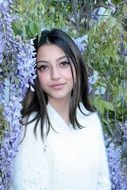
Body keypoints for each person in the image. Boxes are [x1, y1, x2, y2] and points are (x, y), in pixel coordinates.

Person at [9, 28, 111, 190]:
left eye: (63, 64)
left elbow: (103, 182)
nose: (55, 75)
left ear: (76, 66)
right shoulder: (30, 128)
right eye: (43, 67)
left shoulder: (90, 119)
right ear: (33, 74)